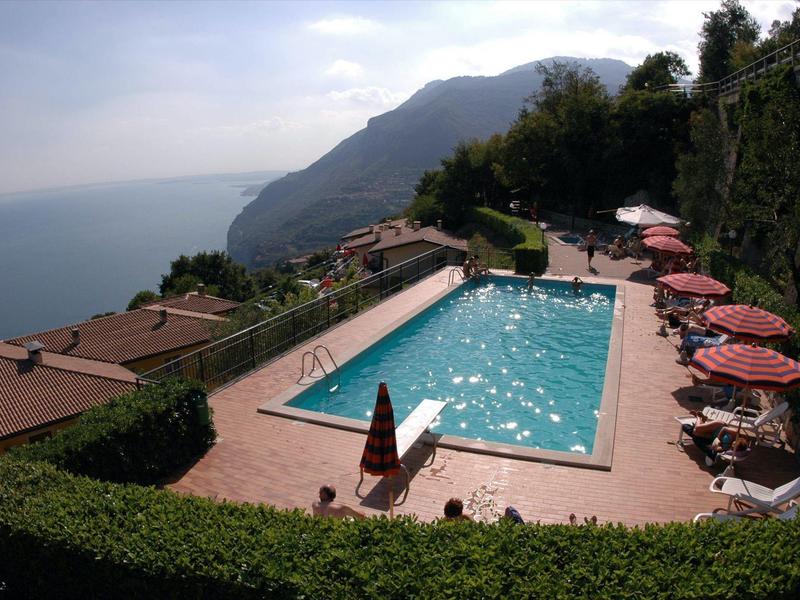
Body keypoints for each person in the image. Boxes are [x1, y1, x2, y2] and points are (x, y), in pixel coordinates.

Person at [680, 417, 748, 467]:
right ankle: (699, 416)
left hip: (712, 436)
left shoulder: (729, 448)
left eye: (734, 447)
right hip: (718, 427)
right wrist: (718, 438)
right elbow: (724, 429)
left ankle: (696, 424)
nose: (732, 446)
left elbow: (717, 448)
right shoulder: (735, 433)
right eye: (734, 444)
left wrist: (718, 448)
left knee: (695, 433)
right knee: (697, 429)